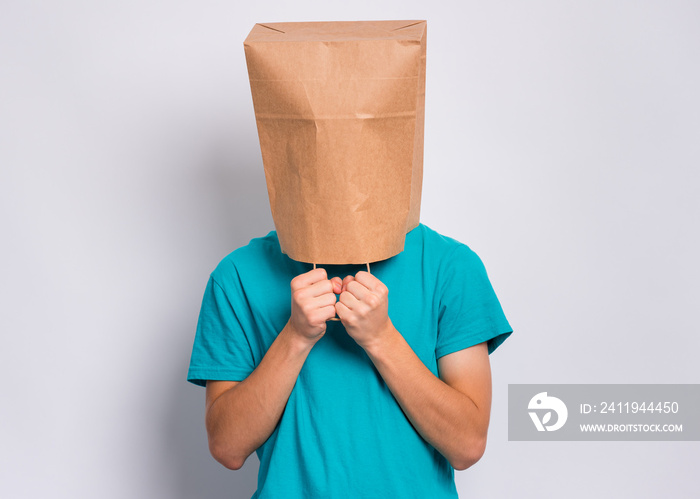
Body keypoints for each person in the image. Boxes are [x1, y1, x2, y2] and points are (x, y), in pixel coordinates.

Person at [187, 223, 512, 498]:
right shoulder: (237, 275)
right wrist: (296, 336)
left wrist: (381, 338)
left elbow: (467, 445)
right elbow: (228, 448)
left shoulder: (451, 267)